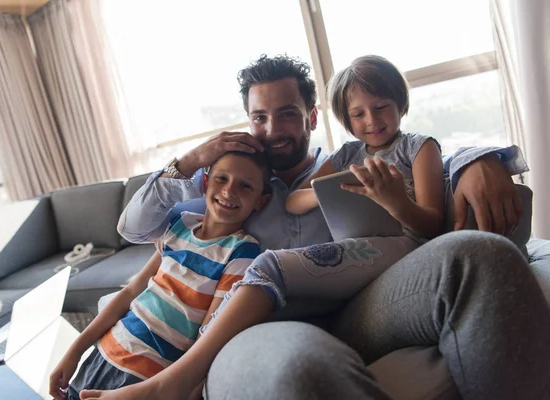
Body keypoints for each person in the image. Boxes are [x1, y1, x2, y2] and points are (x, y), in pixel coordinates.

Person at [90, 55, 550, 399]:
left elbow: (413, 163)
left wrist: (480, 159)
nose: (273, 129)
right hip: (260, 325)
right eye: (259, 117)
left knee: (479, 253)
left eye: (287, 113)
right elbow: (133, 227)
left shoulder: (343, 160)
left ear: (312, 116)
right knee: (302, 369)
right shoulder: (231, 181)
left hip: (366, 305)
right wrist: (190, 160)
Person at [48, 151, 272, 400]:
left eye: (245, 186)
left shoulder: (242, 251)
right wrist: (75, 350)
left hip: (146, 379)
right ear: (206, 183)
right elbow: (131, 292)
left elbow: (208, 335)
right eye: (222, 179)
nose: (230, 191)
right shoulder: (180, 227)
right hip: (104, 351)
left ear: (260, 201)